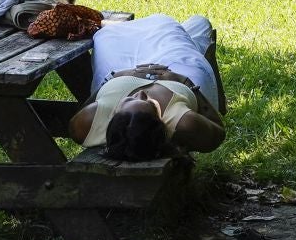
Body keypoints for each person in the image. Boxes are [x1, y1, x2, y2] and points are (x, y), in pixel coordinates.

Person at [69, 14, 227, 160]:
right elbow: (218, 131)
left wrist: (115, 76)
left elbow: (88, 103)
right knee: (183, 23)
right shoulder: (183, 122)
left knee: (106, 35)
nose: (141, 93)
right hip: (176, 65)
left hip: (122, 65)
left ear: (113, 116)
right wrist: (186, 82)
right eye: (149, 102)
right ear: (161, 123)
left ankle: (120, 27)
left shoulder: (86, 124)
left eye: (129, 99)